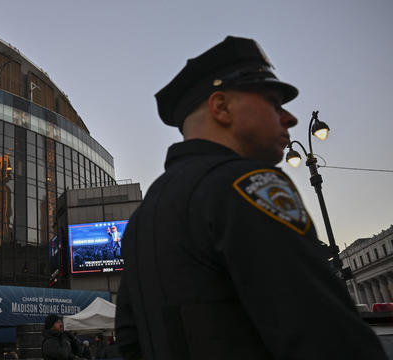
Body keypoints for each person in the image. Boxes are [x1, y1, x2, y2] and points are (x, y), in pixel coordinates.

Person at [114, 36, 387, 360]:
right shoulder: (248, 185)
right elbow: (328, 337)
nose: (290, 118)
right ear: (221, 107)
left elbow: (130, 342)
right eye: (273, 102)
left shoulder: (142, 219)